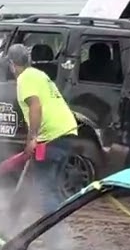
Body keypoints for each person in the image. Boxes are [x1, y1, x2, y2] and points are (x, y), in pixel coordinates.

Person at [7, 44, 79, 215]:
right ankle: (11, 219)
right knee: (35, 177)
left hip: (52, 136)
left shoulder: (25, 78)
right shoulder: (38, 74)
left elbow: (35, 107)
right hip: (66, 131)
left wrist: (32, 138)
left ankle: (55, 236)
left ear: (11, 64)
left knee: (46, 189)